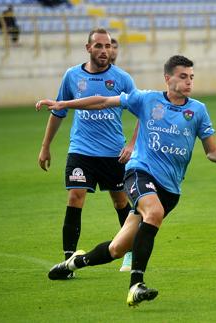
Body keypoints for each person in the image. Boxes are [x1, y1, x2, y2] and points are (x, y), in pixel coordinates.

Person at [36, 55, 216, 306]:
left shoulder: (197, 110)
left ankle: (73, 263)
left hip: (170, 188)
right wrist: (63, 103)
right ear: (167, 78)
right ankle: (136, 285)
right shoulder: (146, 99)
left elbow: (211, 151)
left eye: (191, 77)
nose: (188, 82)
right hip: (139, 173)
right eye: (183, 76)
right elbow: (103, 101)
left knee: (117, 249)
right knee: (154, 212)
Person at [38, 28, 134, 276]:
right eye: (99, 46)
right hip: (81, 150)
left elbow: (142, 112)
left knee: (120, 201)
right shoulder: (72, 76)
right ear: (88, 48)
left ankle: (131, 252)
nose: (105, 51)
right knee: (75, 197)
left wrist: (132, 144)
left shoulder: (122, 78)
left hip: (113, 152)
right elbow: (59, 111)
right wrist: (45, 146)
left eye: (108, 46)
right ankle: (68, 261)